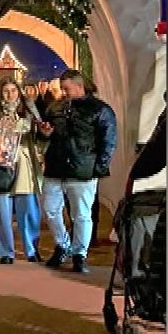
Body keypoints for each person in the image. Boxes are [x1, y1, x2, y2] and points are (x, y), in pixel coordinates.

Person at [38, 69, 117, 274]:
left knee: (81, 214)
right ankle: (63, 245)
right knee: (50, 209)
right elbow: (46, 135)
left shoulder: (100, 110)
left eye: (66, 89)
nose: (63, 93)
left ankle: (79, 253)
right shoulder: (55, 108)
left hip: (82, 170)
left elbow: (109, 142)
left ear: (80, 86)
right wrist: (45, 134)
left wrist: (96, 169)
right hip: (56, 167)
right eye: (62, 89)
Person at [0, 80, 42, 263]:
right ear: (0, 94)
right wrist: (1, 127)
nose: (10, 95)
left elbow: (38, 137)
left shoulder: (27, 113)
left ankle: (32, 249)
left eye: (13, 90)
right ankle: (6, 252)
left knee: (28, 209)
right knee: (2, 212)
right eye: (6, 91)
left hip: (23, 166)